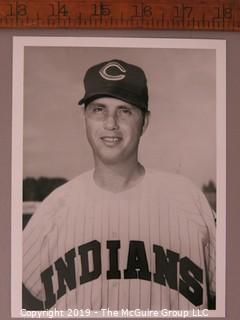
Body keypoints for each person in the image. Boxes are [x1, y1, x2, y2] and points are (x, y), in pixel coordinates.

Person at [23, 59, 216, 311]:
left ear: (144, 122)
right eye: (98, 109)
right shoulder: (52, 210)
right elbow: (20, 302)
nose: (110, 123)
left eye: (125, 110)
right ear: (85, 118)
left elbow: (227, 295)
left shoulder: (189, 201)